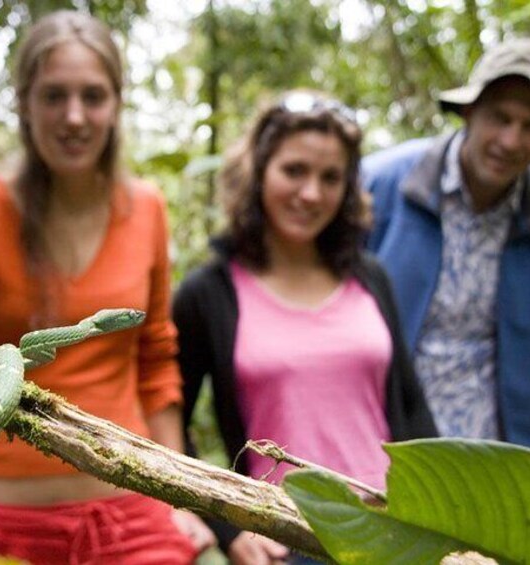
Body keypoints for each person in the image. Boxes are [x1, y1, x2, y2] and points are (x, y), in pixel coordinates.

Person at [0, 10, 212, 565]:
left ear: (116, 104)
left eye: (93, 96)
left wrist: (182, 501)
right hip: (4, 524)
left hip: (134, 519)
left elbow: (155, 364)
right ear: (24, 103)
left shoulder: (146, 208)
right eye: (54, 96)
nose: (74, 116)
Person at [173, 91, 437, 564]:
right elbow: (171, 423)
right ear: (258, 171)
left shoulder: (369, 276)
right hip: (284, 539)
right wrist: (229, 528)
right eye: (294, 171)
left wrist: (448, 518)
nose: (311, 193)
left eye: (330, 177)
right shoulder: (207, 293)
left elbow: (412, 407)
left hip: (395, 532)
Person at [362, 37, 530, 471]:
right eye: (499, 118)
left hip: (493, 458)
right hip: (374, 439)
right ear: (469, 112)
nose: (510, 140)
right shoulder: (383, 185)